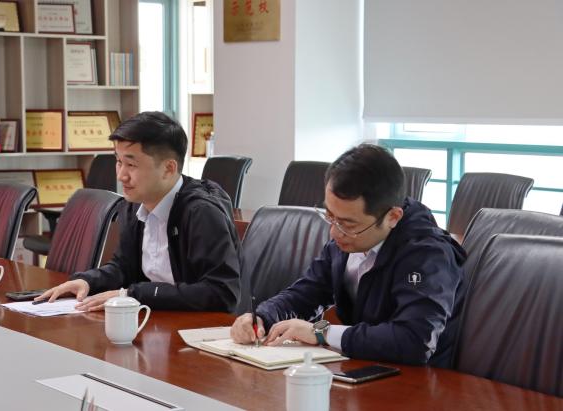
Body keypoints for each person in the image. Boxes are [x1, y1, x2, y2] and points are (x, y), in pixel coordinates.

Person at [231, 144, 466, 367]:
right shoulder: (346, 239)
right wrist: (263, 317)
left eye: (348, 224)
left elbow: (415, 341)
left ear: (392, 217)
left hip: (420, 382)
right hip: (363, 368)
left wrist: (321, 333)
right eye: (330, 216)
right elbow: (307, 292)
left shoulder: (428, 255)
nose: (334, 232)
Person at [36, 111, 241, 312]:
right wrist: (87, 282)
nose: (121, 176)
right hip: (155, 320)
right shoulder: (134, 205)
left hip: (197, 328)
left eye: (131, 164)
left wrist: (133, 295)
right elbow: (124, 267)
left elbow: (222, 293)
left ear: (168, 169)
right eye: (119, 162)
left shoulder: (201, 213)